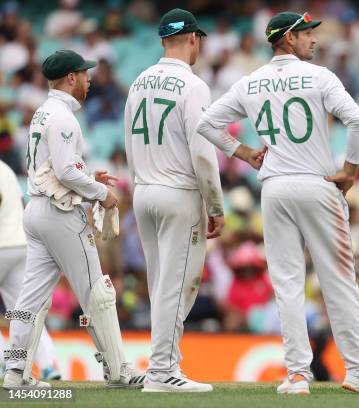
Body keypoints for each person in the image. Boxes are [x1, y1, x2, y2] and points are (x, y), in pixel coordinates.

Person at [196, 11, 359, 395]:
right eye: (306, 33)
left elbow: (206, 123)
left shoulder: (250, 82)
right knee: (339, 281)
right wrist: (349, 169)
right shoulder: (321, 76)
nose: (314, 39)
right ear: (288, 39)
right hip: (317, 184)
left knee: (287, 285)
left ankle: (298, 375)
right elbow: (357, 121)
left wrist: (244, 152)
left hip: (275, 189)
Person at [2, 49, 143, 389]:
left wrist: (88, 176)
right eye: (84, 73)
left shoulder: (41, 113)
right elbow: (64, 170)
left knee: (29, 299)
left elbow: (51, 168)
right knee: (98, 290)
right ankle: (118, 370)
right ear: (70, 78)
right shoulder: (63, 117)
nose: (89, 79)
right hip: (60, 214)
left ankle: (15, 372)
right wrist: (99, 192)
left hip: (35, 211)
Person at [124, 9, 225, 392]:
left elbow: (129, 144)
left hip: (144, 190)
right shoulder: (193, 85)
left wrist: (140, 183)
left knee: (159, 285)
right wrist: (214, 206)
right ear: (194, 39)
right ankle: (163, 371)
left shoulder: (138, 82)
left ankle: (165, 365)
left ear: (163, 40)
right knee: (178, 284)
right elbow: (203, 153)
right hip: (179, 193)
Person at [0, 160, 61, 381]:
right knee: (24, 312)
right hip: (18, 245)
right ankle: (48, 365)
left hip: (2, 246)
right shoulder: (6, 168)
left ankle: (4, 361)